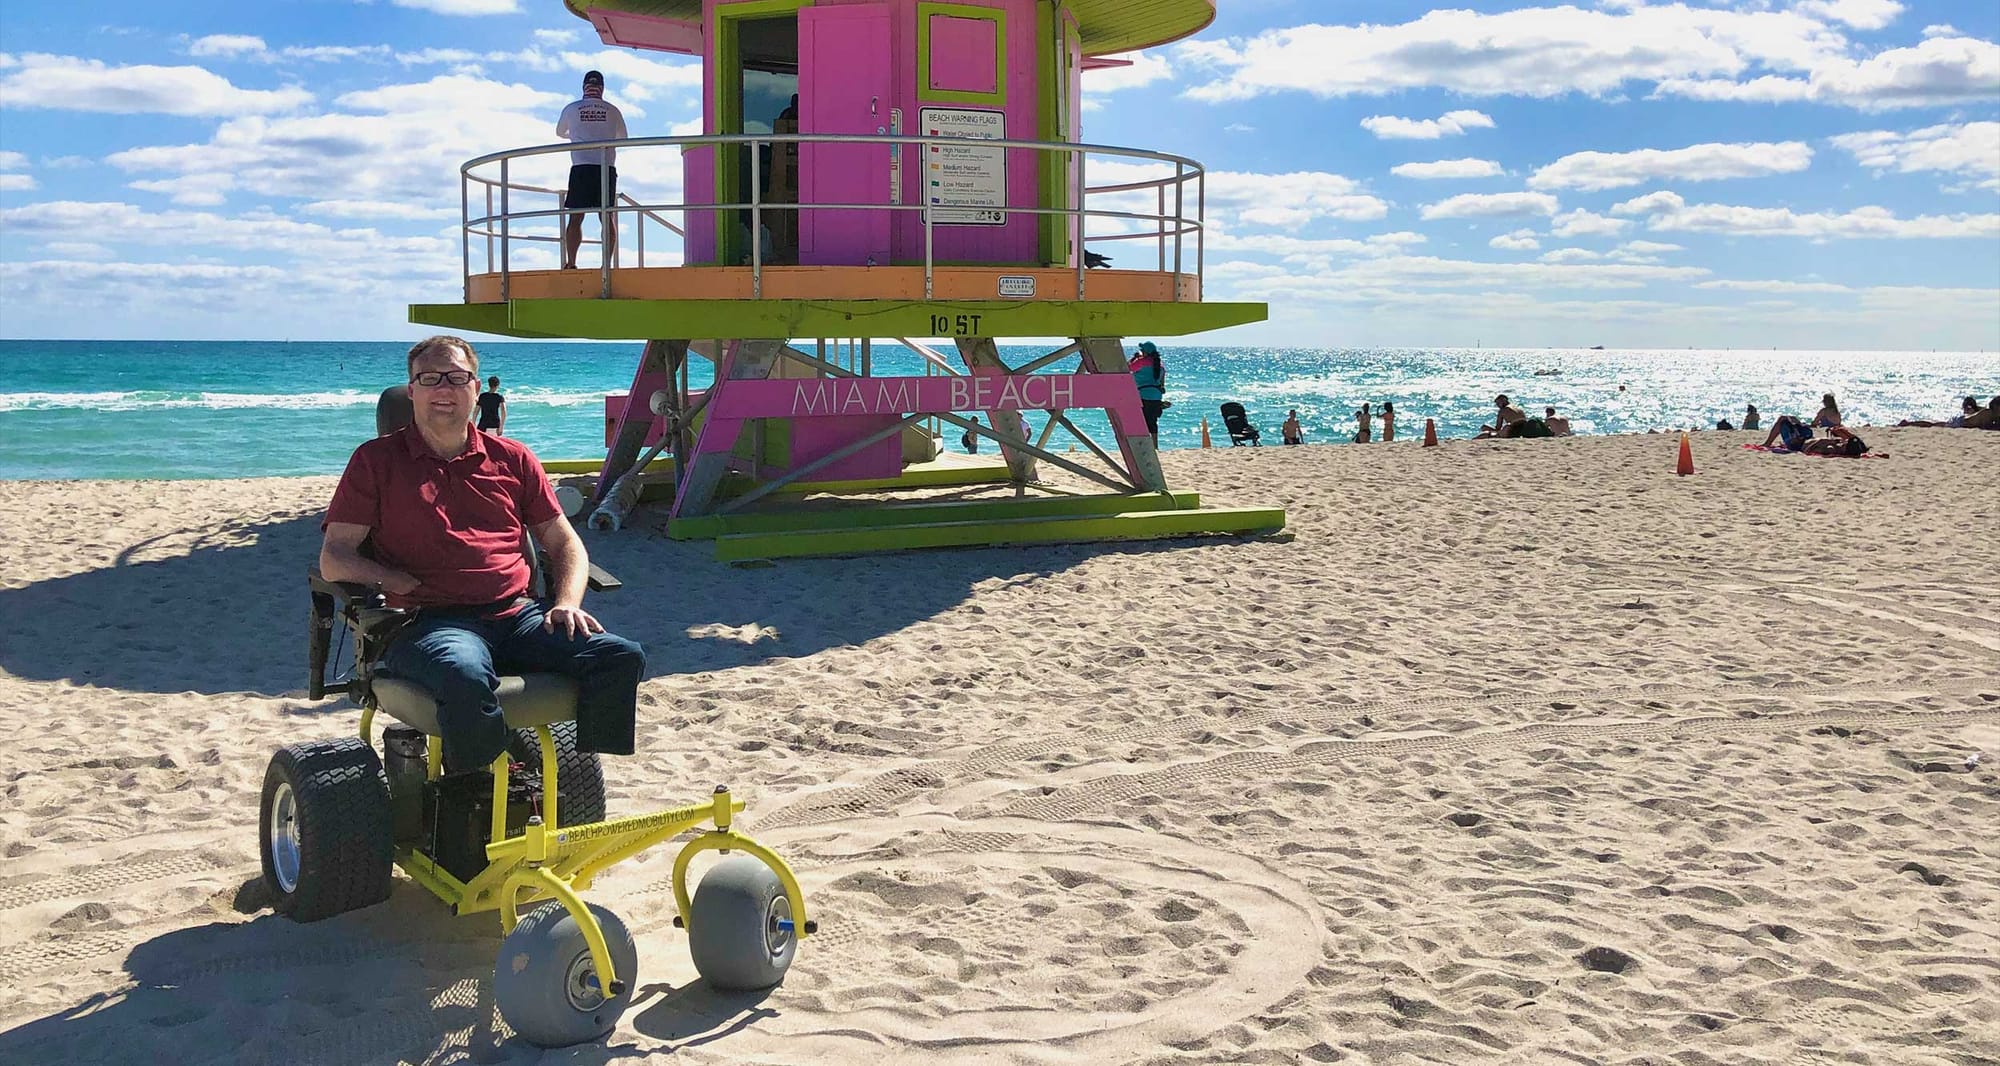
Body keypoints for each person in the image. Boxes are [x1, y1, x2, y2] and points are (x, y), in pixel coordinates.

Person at [320, 336, 645, 775]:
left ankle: (571, 775)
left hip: (518, 617)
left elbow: (565, 542)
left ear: (477, 389)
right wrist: (387, 578)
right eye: (430, 378)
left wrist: (567, 603)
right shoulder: (375, 461)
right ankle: (479, 782)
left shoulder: (513, 458)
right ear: (411, 390)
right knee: (464, 675)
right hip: (431, 622)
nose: (444, 389)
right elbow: (334, 558)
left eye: (457, 378)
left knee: (620, 656)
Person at [557, 70, 628, 271]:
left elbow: (560, 132)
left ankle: (571, 263)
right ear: (602, 88)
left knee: (576, 216)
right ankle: (606, 265)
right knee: (606, 216)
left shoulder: (572, 108)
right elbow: (623, 137)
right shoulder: (612, 110)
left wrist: (578, 133)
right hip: (605, 166)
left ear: (583, 87)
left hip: (580, 166)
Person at [1130, 342, 1166, 438]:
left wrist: (1134, 358)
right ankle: (1155, 445)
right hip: (1156, 396)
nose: (1141, 352)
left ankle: (1142, 442)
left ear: (1145, 352)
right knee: (1153, 422)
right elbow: (1162, 384)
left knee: (1141, 422)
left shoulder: (1141, 362)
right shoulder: (1160, 365)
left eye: (1142, 350)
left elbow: (1127, 368)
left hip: (1143, 394)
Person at [1900, 396, 1982, 428]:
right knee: (1931, 424)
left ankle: (1909, 423)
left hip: (1956, 423)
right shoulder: (1974, 411)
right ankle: (1909, 423)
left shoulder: (1971, 410)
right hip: (1956, 423)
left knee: (1931, 424)